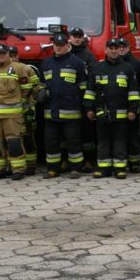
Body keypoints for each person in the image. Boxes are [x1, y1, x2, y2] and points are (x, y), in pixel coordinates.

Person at [83, 39, 139, 178]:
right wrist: (89, 108)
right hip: (102, 112)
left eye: (116, 48)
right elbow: (90, 90)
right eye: (111, 48)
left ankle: (120, 169)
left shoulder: (127, 68)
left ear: (119, 50)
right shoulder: (97, 68)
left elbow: (133, 91)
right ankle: (104, 169)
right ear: (106, 50)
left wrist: (132, 110)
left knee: (120, 140)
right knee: (103, 141)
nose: (114, 51)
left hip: (121, 113)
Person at [39, 33, 88, 179]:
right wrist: (41, 92)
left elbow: (84, 87)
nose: (58, 48)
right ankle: (53, 169)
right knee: (51, 143)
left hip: (71, 111)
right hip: (51, 112)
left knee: (73, 142)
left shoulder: (77, 63)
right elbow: (41, 85)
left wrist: (83, 106)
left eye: (61, 45)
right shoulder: (46, 63)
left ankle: (75, 169)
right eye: (56, 45)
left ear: (68, 45)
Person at [0, 43, 31, 181]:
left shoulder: (18, 68)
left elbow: (27, 88)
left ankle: (18, 169)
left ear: (8, 54)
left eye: (4, 53)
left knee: (14, 142)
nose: (1, 56)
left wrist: (21, 101)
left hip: (12, 115)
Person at [8, 46, 42, 175]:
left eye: (14, 55)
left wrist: (32, 96)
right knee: (11, 140)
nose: (12, 58)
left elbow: (37, 87)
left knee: (28, 138)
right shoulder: (3, 71)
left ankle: (31, 165)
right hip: (10, 112)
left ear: (18, 56)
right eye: (10, 56)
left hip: (26, 111)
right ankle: (12, 165)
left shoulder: (27, 69)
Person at [69, 27, 96, 171]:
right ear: (70, 38)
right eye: (75, 36)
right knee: (69, 132)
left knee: (87, 132)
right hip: (69, 99)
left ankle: (89, 160)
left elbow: (92, 78)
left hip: (84, 98)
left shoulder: (88, 56)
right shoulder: (66, 54)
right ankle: (67, 160)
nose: (77, 39)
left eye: (79, 36)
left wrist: (89, 102)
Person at [118, 38, 140, 173]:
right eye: (119, 47)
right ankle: (121, 162)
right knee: (120, 136)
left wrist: (138, 107)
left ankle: (134, 163)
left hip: (133, 106)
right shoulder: (113, 64)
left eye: (124, 46)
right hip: (118, 106)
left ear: (129, 47)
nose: (121, 49)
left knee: (133, 136)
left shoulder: (137, 64)